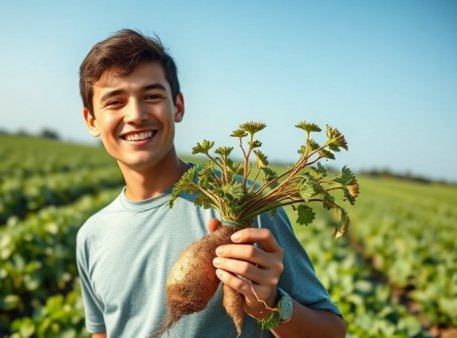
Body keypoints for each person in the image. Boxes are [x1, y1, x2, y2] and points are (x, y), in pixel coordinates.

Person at [76, 28, 346, 338]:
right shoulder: (91, 236)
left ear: (178, 106)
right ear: (91, 120)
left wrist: (269, 305)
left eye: (152, 96)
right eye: (115, 102)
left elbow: (332, 332)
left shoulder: (245, 206)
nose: (135, 114)